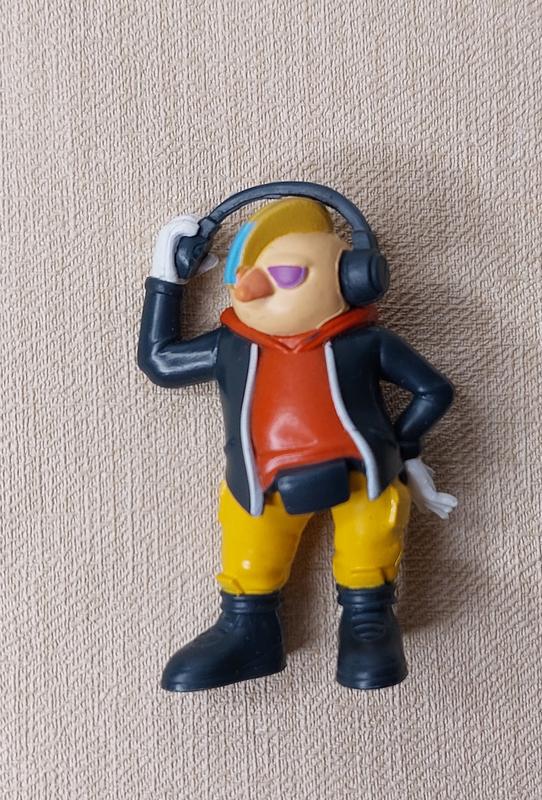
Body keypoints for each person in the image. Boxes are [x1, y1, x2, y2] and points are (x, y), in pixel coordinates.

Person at [138, 195, 457, 691]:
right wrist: (167, 279)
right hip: (261, 483)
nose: (253, 287)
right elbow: (160, 361)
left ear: (354, 278)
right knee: (250, 546)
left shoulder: (365, 341)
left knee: (370, 538)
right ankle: (247, 627)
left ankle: (368, 621)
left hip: (362, 475)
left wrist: (403, 447)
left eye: (284, 275)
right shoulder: (232, 345)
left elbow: (433, 391)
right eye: (242, 275)